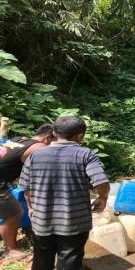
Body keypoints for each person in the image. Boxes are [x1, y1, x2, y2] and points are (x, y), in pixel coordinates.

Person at [19, 116, 110, 270]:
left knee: (42, 256)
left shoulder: (35, 155)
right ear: (80, 135)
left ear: (54, 132)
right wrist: (102, 197)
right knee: (70, 258)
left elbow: (26, 187)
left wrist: (31, 207)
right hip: (74, 221)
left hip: (42, 218)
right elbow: (101, 182)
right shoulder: (85, 154)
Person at [0, 124, 54, 259]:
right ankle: (10, 250)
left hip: (3, 182)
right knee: (13, 213)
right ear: (49, 137)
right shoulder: (39, 148)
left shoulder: (20, 139)